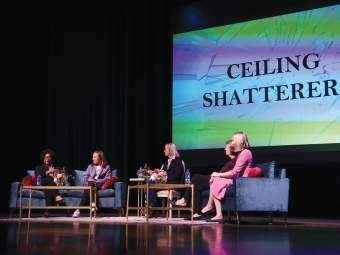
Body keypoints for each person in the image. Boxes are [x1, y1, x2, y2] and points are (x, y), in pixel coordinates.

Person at [170, 140, 238, 220]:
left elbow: (229, 174)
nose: (225, 149)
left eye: (226, 147)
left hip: (220, 181)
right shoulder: (230, 161)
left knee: (195, 176)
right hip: (216, 178)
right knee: (196, 185)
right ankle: (196, 213)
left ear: (232, 149)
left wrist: (215, 175)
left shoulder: (235, 160)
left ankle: (184, 200)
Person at [204, 131, 254, 223]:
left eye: (234, 140)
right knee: (215, 179)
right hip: (236, 180)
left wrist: (219, 174)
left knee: (216, 178)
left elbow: (235, 172)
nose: (233, 143)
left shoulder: (245, 153)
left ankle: (212, 208)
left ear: (239, 141)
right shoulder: (241, 153)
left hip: (241, 182)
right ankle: (217, 213)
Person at [144, 143, 183, 217]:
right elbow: (163, 173)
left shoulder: (177, 160)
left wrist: (166, 177)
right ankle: (152, 207)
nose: (164, 151)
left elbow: (177, 175)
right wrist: (157, 173)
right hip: (164, 183)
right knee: (148, 183)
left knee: (149, 185)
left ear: (170, 150)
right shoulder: (166, 163)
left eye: (165, 149)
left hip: (173, 184)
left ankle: (153, 209)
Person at [72, 150, 112, 218]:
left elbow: (108, 178)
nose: (92, 159)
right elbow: (84, 176)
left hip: (98, 185)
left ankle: (78, 210)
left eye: (94, 157)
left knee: (90, 185)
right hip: (89, 184)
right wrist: (88, 181)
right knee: (90, 183)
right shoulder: (90, 166)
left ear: (99, 158)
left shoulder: (107, 167)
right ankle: (93, 203)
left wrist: (96, 180)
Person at [34, 149, 67, 218]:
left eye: (49, 157)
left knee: (48, 189)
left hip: (50, 186)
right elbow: (38, 176)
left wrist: (60, 172)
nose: (47, 159)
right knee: (48, 178)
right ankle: (57, 197)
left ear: (52, 159)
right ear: (43, 158)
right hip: (40, 184)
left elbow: (64, 177)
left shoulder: (57, 167)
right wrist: (48, 172)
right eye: (46, 157)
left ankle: (48, 211)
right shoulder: (39, 167)